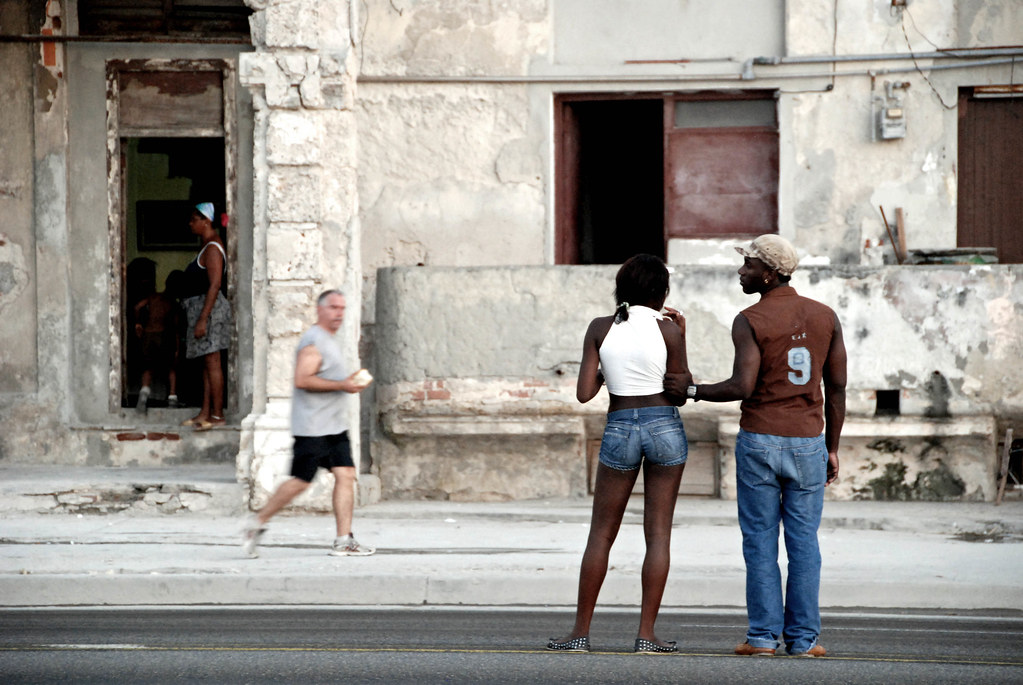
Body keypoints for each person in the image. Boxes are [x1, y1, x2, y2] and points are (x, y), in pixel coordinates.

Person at [665, 234, 847, 658]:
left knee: (760, 541)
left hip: (761, 440)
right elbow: (836, 389)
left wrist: (692, 390)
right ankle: (803, 640)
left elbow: (742, 386)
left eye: (747, 265)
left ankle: (762, 637)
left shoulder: (750, 319)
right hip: (807, 442)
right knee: (804, 543)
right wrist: (831, 448)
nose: (741, 271)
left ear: (768, 273)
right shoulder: (825, 316)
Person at [547, 254, 690, 654]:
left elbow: (583, 393)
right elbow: (682, 388)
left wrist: (610, 367)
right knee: (658, 535)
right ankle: (646, 636)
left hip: (622, 423)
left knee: (601, 534)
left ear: (620, 289)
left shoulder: (600, 327)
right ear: (662, 293)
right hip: (664, 423)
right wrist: (682, 335)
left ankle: (579, 635)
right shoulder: (669, 329)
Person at [241, 290, 375, 558]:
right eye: (333, 307)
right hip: (313, 428)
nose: (339, 313)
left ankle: (343, 540)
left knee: (346, 474)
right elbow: (302, 379)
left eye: (342, 308)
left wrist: (347, 381)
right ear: (319, 310)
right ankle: (256, 524)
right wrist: (342, 385)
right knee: (301, 481)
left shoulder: (329, 340)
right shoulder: (313, 341)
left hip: (334, 427)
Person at [180, 202, 231, 431]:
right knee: (207, 362)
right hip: (201, 309)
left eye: (194, 220)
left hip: (209, 310)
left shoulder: (212, 248)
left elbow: (215, 284)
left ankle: (217, 415)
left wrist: (203, 318)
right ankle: (205, 412)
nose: (191, 224)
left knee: (213, 362)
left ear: (206, 221)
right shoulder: (206, 246)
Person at [133, 272, 182, 411]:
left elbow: (137, 307)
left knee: (148, 367)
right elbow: (176, 327)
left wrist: (138, 323)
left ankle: (143, 394)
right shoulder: (173, 304)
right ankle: (172, 398)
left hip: (148, 335)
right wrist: (177, 347)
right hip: (165, 336)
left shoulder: (154, 297)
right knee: (171, 367)